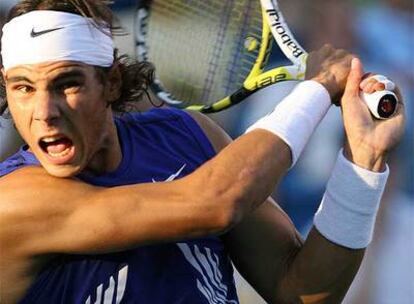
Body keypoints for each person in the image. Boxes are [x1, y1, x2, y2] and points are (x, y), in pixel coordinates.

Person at [0, 1, 405, 303]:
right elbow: (216, 202)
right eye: (22, 87)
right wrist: (316, 90)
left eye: (67, 84)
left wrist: (364, 161)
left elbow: (302, 291)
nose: (44, 113)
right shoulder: (14, 201)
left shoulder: (186, 135)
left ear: (111, 82)